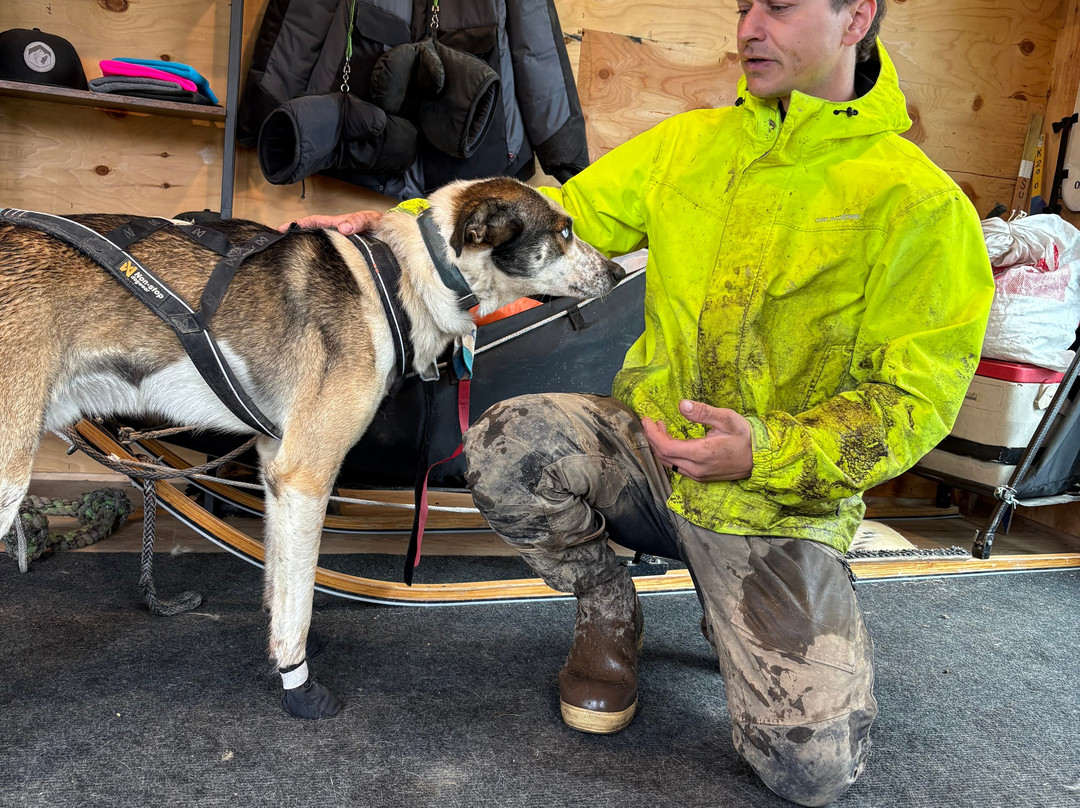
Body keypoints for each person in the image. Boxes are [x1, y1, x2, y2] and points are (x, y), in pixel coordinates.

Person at [289, 0, 995, 803]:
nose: (749, 28)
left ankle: (739, 606)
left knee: (812, 772)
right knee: (507, 442)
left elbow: (912, 400)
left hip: (777, 503)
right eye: (743, 6)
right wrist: (404, 228)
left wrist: (764, 450)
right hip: (650, 455)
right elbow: (555, 217)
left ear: (856, 15)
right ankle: (607, 605)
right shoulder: (686, 147)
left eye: (779, 5)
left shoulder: (920, 205)